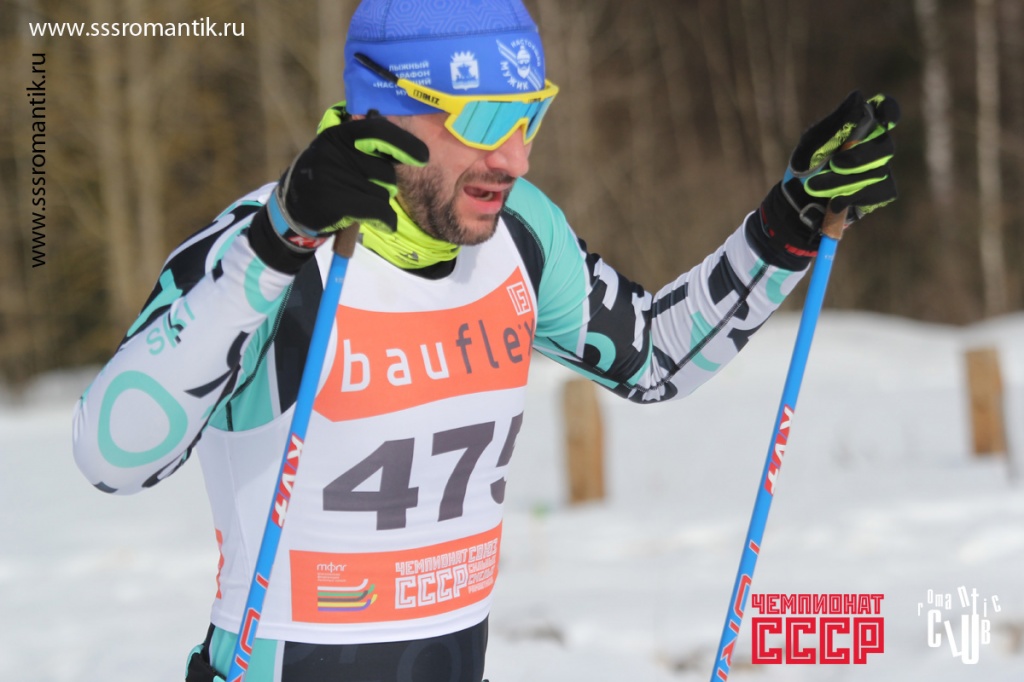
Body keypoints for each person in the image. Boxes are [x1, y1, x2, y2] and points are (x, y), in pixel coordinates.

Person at [71, 1, 899, 680]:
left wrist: (788, 225)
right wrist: (279, 240)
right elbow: (111, 457)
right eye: (489, 119)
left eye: (531, 114)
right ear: (383, 108)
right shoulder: (262, 247)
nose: (517, 158)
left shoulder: (521, 233)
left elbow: (654, 358)